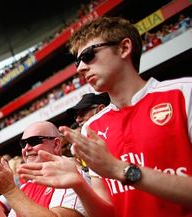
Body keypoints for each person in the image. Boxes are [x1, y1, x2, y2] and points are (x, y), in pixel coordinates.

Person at [18, 17, 192, 217]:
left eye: (89, 55)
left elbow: (118, 170)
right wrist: (79, 184)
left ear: (124, 48)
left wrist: (121, 170)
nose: (80, 68)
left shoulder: (184, 94)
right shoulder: (91, 128)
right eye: (78, 61)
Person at [0, 121, 87, 217]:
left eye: (34, 141)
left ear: (56, 144)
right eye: (23, 144)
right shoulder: (27, 186)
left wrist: (9, 190)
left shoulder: (72, 176)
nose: (26, 148)